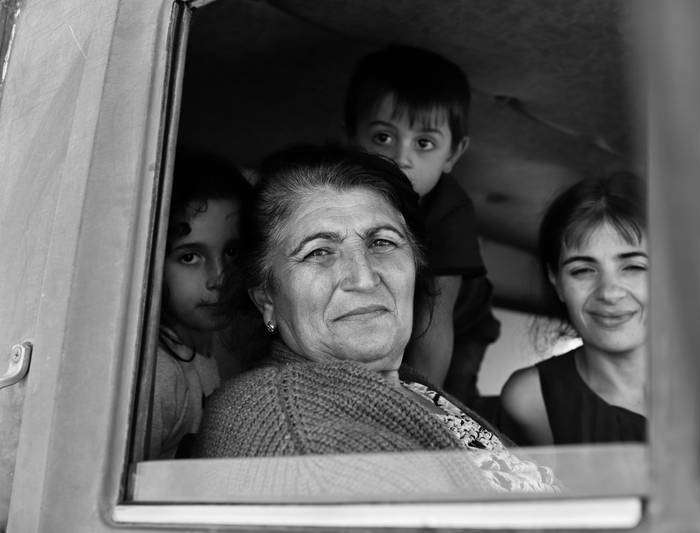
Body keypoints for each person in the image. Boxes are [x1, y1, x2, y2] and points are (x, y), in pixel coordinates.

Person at [193, 145, 558, 493]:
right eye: (319, 252)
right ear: (266, 298)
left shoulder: (405, 385)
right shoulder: (304, 441)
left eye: (381, 242)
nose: (364, 278)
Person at [344, 44, 500, 408]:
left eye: (424, 143)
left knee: (450, 402)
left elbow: (435, 319)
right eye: (383, 137)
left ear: (453, 154)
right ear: (351, 136)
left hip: (460, 323)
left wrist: (423, 403)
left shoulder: (450, 211)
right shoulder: (337, 192)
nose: (400, 157)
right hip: (402, 309)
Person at [500, 172, 648, 445]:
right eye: (582, 270)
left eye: (634, 267)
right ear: (556, 281)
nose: (609, 292)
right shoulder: (532, 400)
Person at [149, 150, 253, 459]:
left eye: (232, 252)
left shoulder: (209, 354)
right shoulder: (159, 376)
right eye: (190, 257)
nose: (218, 277)